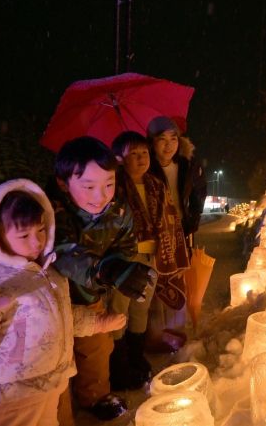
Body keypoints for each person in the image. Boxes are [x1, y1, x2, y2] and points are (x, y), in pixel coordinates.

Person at [0, 179, 126, 426]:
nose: (36, 241)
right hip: (3, 399)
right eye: (23, 235)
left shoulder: (47, 272)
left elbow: (60, 317)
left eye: (40, 230)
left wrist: (97, 322)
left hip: (39, 387)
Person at [46, 136, 157, 421]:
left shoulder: (119, 209)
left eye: (109, 184)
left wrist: (122, 267)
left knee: (96, 346)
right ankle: (53, 408)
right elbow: (64, 253)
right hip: (52, 300)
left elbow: (126, 245)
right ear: (62, 183)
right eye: (88, 187)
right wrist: (104, 270)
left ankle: (94, 395)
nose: (101, 195)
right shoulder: (50, 212)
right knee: (52, 356)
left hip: (92, 296)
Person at [108, 131, 189, 389]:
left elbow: (169, 217)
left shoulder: (155, 184)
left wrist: (170, 250)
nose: (141, 158)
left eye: (144, 153)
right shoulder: (113, 186)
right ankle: (118, 365)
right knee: (119, 309)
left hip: (152, 254)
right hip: (124, 256)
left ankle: (136, 356)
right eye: (134, 154)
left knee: (141, 307)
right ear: (120, 158)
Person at [146, 116, 207, 349]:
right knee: (156, 284)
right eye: (162, 139)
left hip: (181, 231)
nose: (168, 145)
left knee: (178, 282)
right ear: (151, 142)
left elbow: (199, 192)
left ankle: (176, 335)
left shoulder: (186, 165)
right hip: (156, 234)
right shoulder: (146, 168)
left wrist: (193, 218)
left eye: (173, 138)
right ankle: (154, 337)